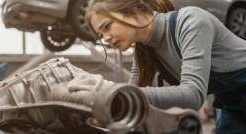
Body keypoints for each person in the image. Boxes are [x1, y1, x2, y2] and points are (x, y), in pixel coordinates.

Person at [86, 0, 246, 133]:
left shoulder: (191, 21)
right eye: (100, 35)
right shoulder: (144, 51)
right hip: (232, 102)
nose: (106, 38)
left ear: (132, 11)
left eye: (107, 26)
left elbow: (193, 95)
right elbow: (132, 99)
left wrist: (116, 93)